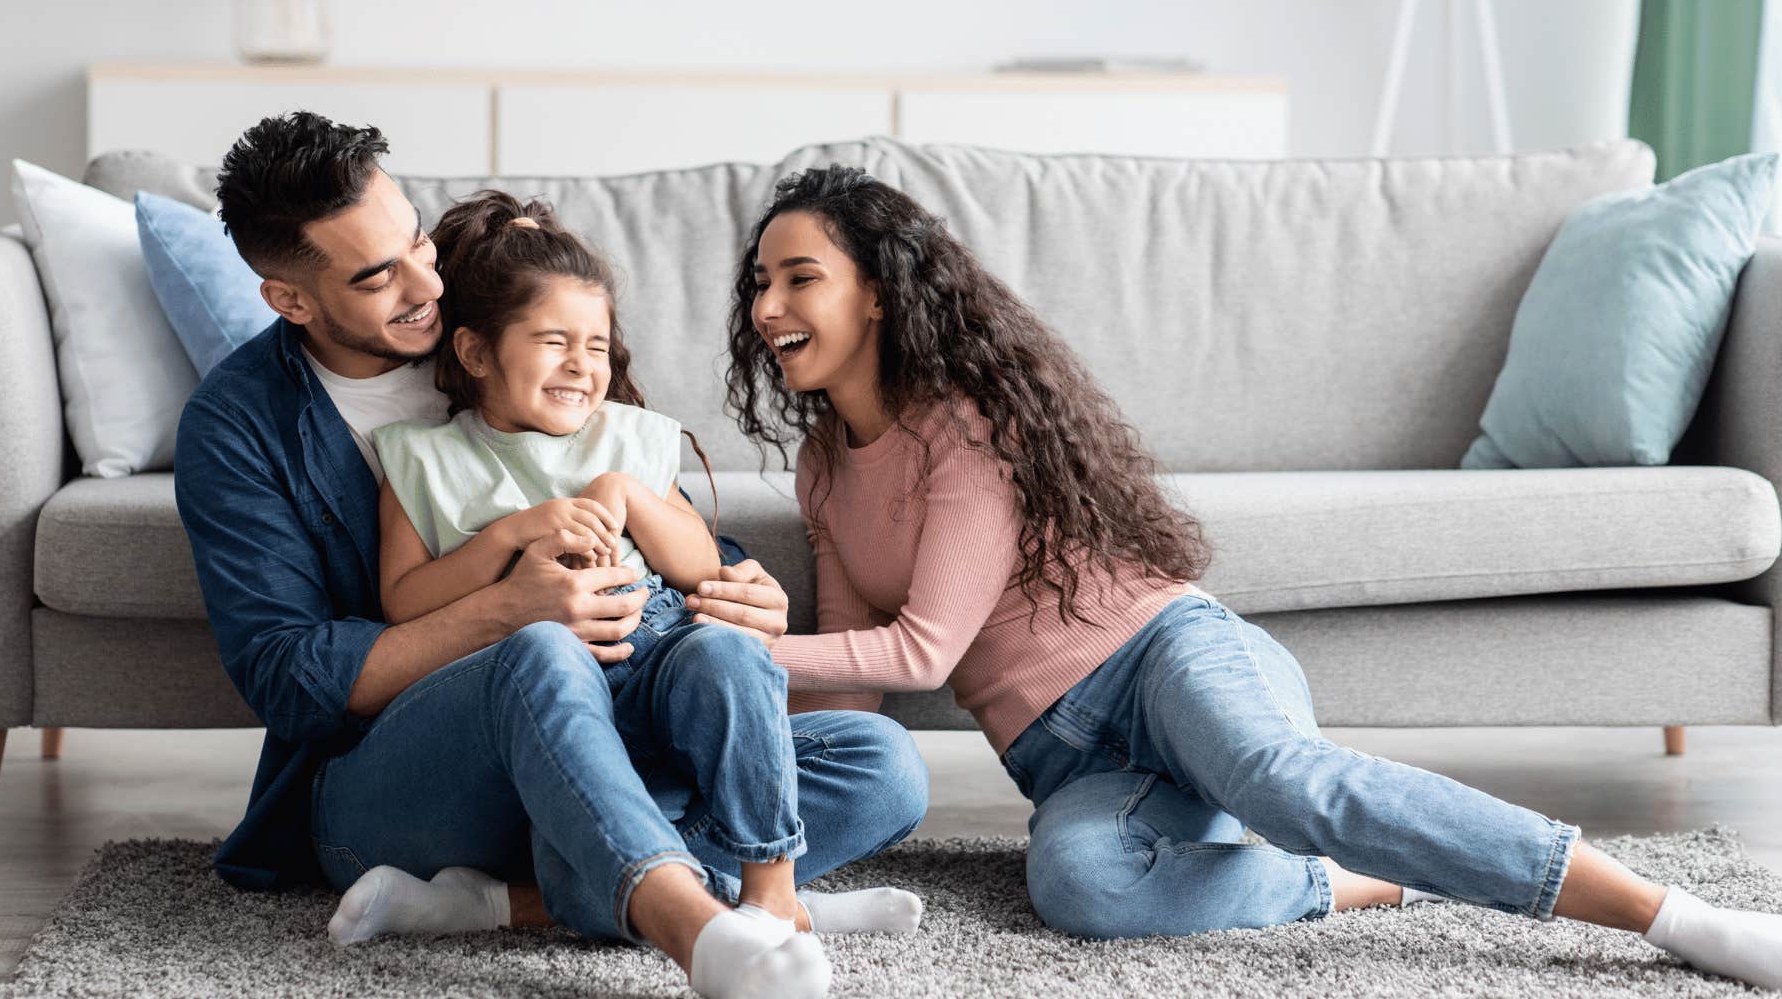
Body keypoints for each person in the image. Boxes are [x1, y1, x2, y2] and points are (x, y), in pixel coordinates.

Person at [707, 163, 1782, 990]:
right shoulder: (820, 468)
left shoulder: (962, 424)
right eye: (760, 281)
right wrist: (724, 721)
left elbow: (925, 648)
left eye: (801, 277)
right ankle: (1354, 880)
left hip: (1161, 655)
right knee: (1080, 883)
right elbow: (859, 690)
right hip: (1065, 755)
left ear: (881, 297)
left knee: (1283, 783)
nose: (768, 306)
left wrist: (745, 646)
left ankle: (1670, 916)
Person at [173, 115, 927, 999]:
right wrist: (508, 606)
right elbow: (291, 677)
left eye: (417, 239)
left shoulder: (508, 314)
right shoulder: (239, 428)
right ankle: (696, 932)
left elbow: (637, 511)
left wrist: (735, 587)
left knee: (879, 762)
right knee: (540, 651)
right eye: (380, 277)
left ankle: (527, 899)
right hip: (411, 782)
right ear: (291, 299)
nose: (426, 283)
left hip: (609, 740)